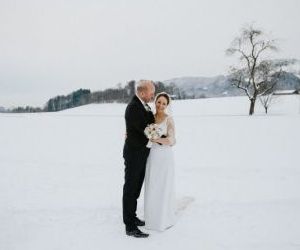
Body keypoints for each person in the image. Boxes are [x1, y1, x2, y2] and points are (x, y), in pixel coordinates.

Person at [122, 80, 155, 238]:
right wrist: (163, 135)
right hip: (134, 153)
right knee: (130, 188)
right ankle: (129, 226)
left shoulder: (143, 105)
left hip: (141, 153)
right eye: (151, 93)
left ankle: (132, 216)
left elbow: (150, 122)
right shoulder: (134, 107)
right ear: (142, 93)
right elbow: (147, 130)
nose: (152, 96)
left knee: (135, 189)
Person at [144, 92, 177, 231]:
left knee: (163, 187)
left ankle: (163, 219)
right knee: (152, 186)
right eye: (159, 102)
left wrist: (156, 138)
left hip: (164, 157)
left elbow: (172, 140)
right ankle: (151, 218)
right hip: (152, 156)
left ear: (167, 105)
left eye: (164, 103)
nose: (161, 105)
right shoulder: (149, 117)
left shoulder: (169, 119)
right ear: (155, 102)